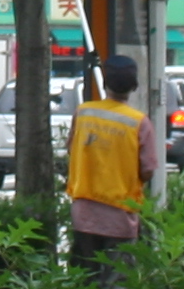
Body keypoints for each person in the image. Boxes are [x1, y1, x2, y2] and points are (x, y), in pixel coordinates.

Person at [66, 55, 158, 274]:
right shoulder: (139, 123)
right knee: (116, 285)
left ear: (106, 83)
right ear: (134, 86)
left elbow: (71, 149)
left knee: (84, 280)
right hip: (120, 217)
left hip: (84, 214)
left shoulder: (84, 113)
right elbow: (148, 170)